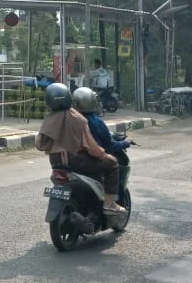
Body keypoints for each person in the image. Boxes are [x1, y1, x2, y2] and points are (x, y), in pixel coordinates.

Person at [36, 82, 126, 214]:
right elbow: (92, 148)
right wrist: (104, 154)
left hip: (56, 163)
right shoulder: (77, 118)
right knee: (113, 163)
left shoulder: (49, 119)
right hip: (77, 163)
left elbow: (39, 145)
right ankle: (109, 204)